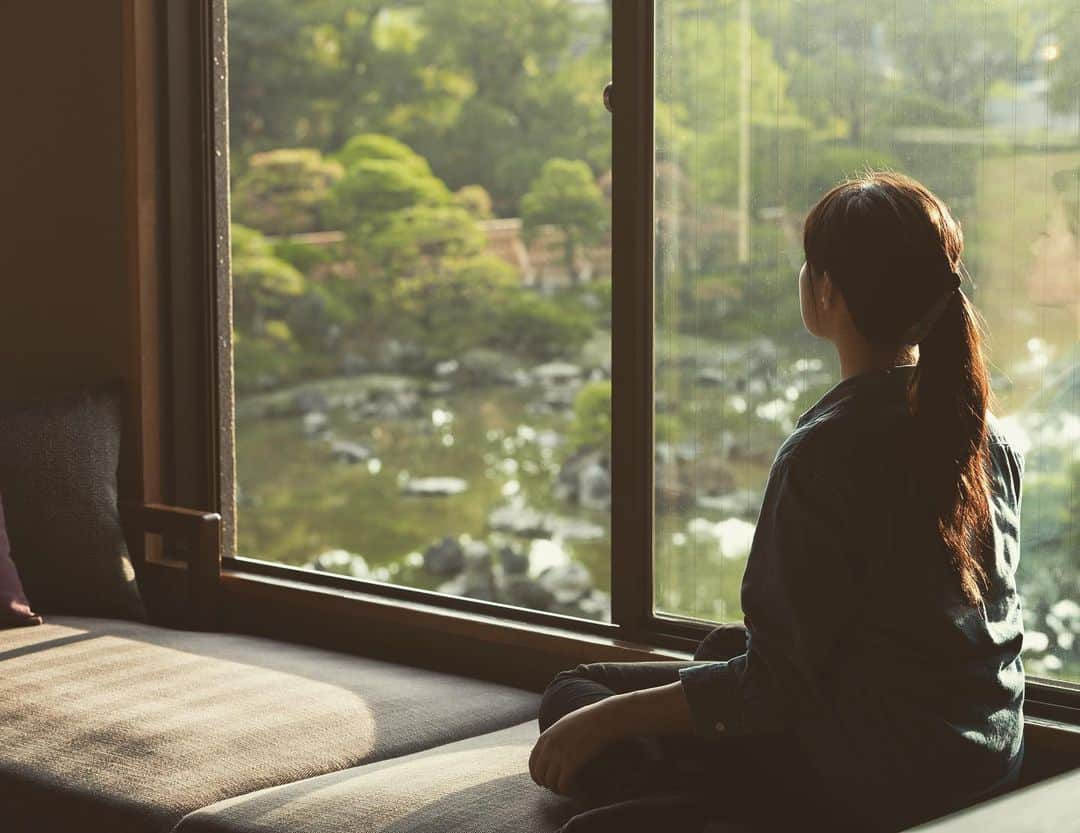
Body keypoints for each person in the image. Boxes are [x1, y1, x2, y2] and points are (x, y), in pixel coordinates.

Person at [529, 171, 1026, 833]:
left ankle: (720, 806)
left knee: (574, 696)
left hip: (867, 782)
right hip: (983, 761)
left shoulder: (827, 450)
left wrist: (609, 719)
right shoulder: (986, 434)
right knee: (720, 648)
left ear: (827, 291)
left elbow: (778, 686)